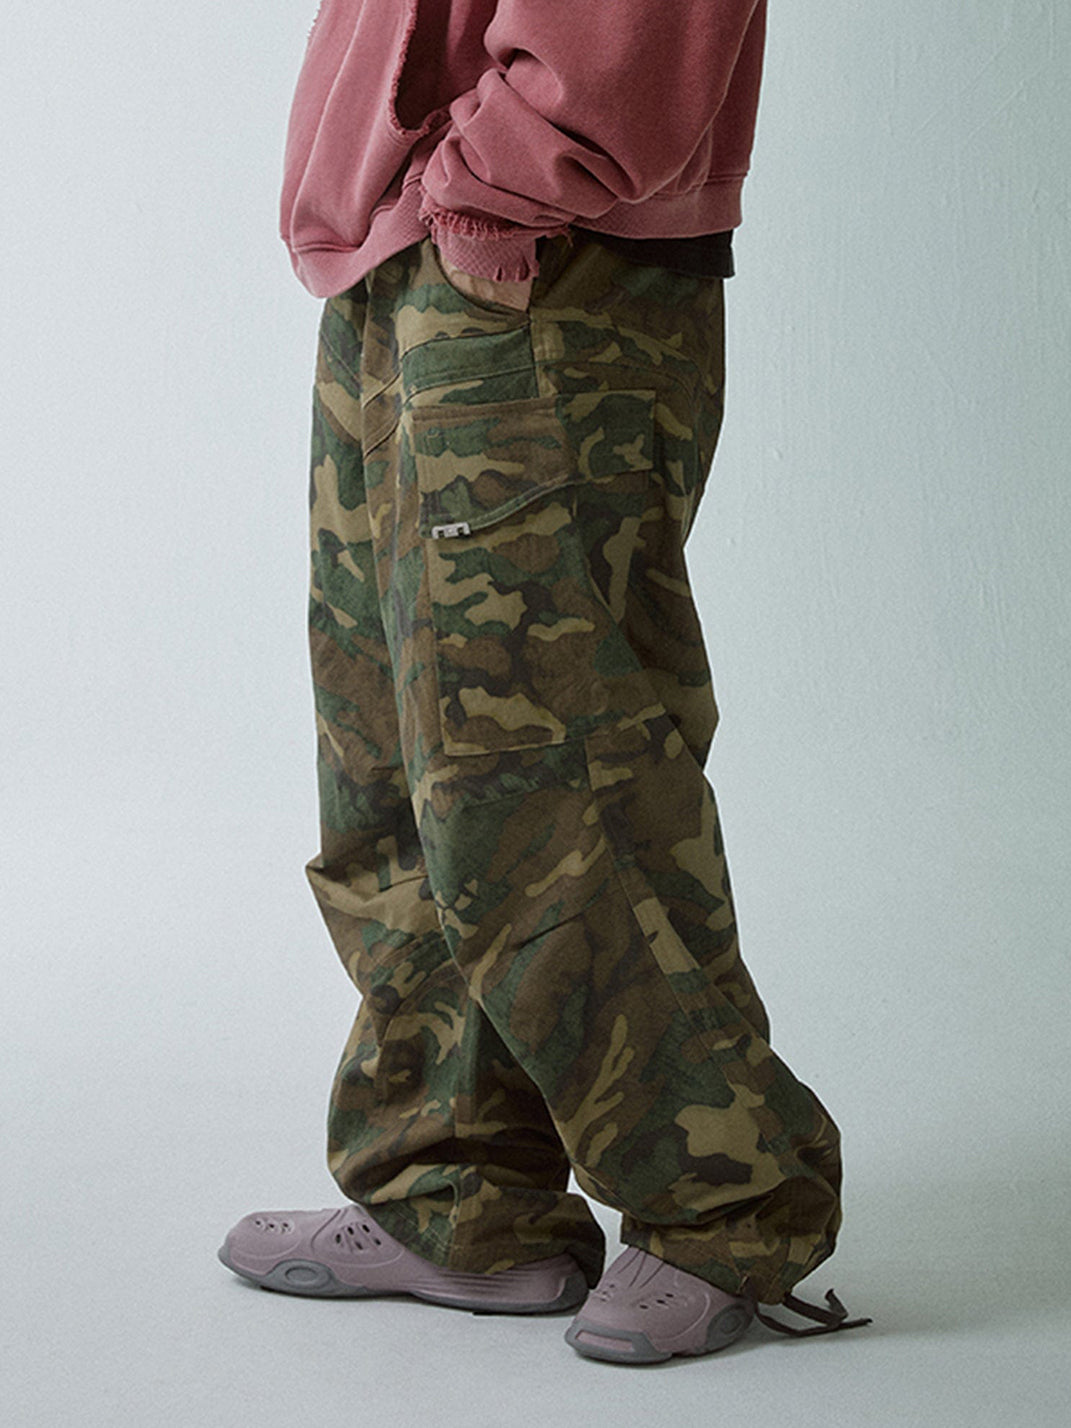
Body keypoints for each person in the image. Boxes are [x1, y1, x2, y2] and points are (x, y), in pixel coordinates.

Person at [217, 0, 872, 1364]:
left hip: (542, 254)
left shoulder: (510, 211)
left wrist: (492, 189)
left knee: (549, 781)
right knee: (394, 767)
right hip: (409, 250)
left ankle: (731, 1201)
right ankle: (461, 1195)